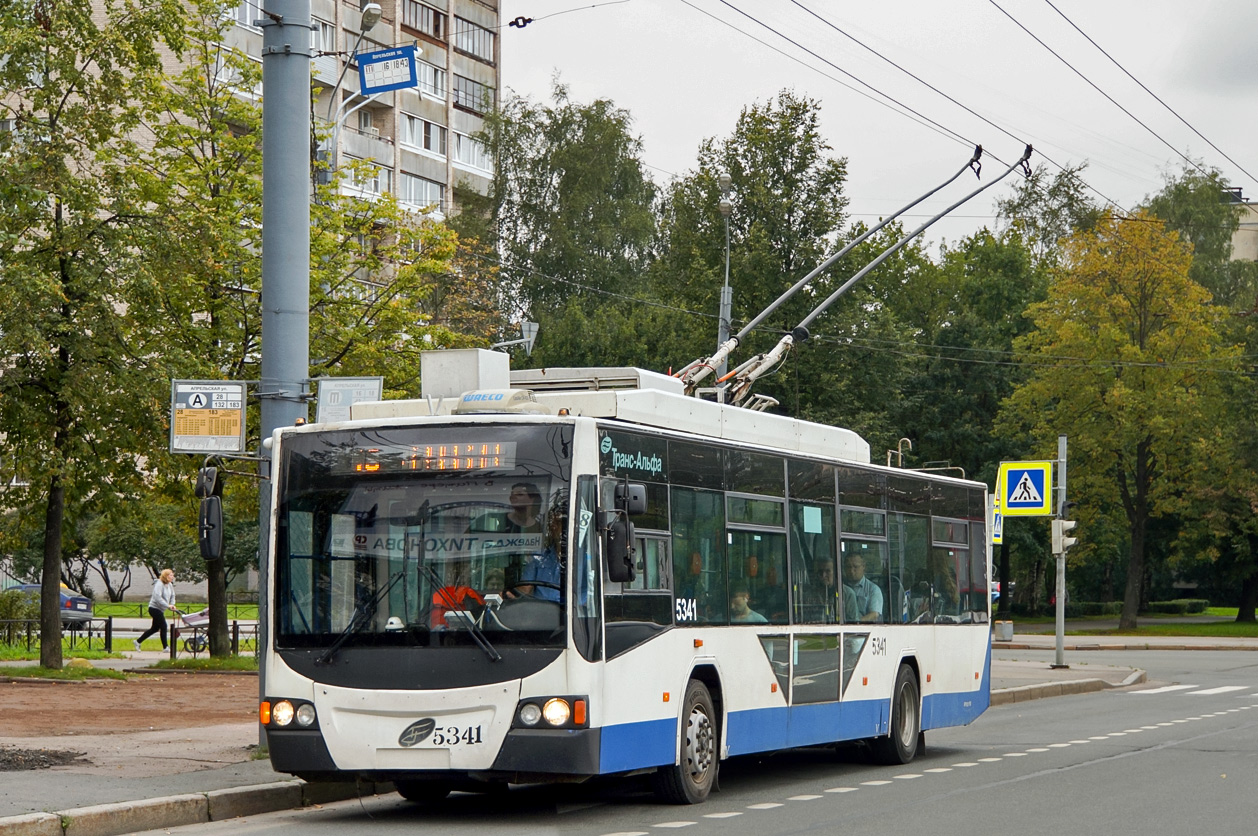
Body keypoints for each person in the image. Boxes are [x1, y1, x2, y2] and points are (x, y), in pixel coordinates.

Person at [516, 497, 566, 602]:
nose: (556, 527)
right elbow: (525, 588)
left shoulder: (585, 558)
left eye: (561, 523)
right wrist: (511, 594)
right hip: (540, 612)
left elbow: (588, 594)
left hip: (571, 614)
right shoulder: (540, 556)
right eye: (554, 523)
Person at [801, 557, 857, 624]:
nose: (823, 575)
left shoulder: (848, 594)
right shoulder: (809, 595)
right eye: (820, 571)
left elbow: (854, 622)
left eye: (827, 571)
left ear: (835, 573)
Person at [135, 569, 180, 651]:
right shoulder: (159, 584)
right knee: (164, 626)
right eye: (171, 575)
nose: (173, 577)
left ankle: (138, 642)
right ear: (166, 576)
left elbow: (173, 595)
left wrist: (172, 604)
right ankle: (165, 647)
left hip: (160, 609)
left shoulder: (169, 584)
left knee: (154, 628)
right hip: (154, 608)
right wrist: (167, 605)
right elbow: (157, 597)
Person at [842, 551, 883, 623]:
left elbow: (874, 614)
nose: (851, 571)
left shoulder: (873, 589)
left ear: (864, 566)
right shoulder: (840, 587)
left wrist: (855, 623)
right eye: (848, 567)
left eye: (855, 567)